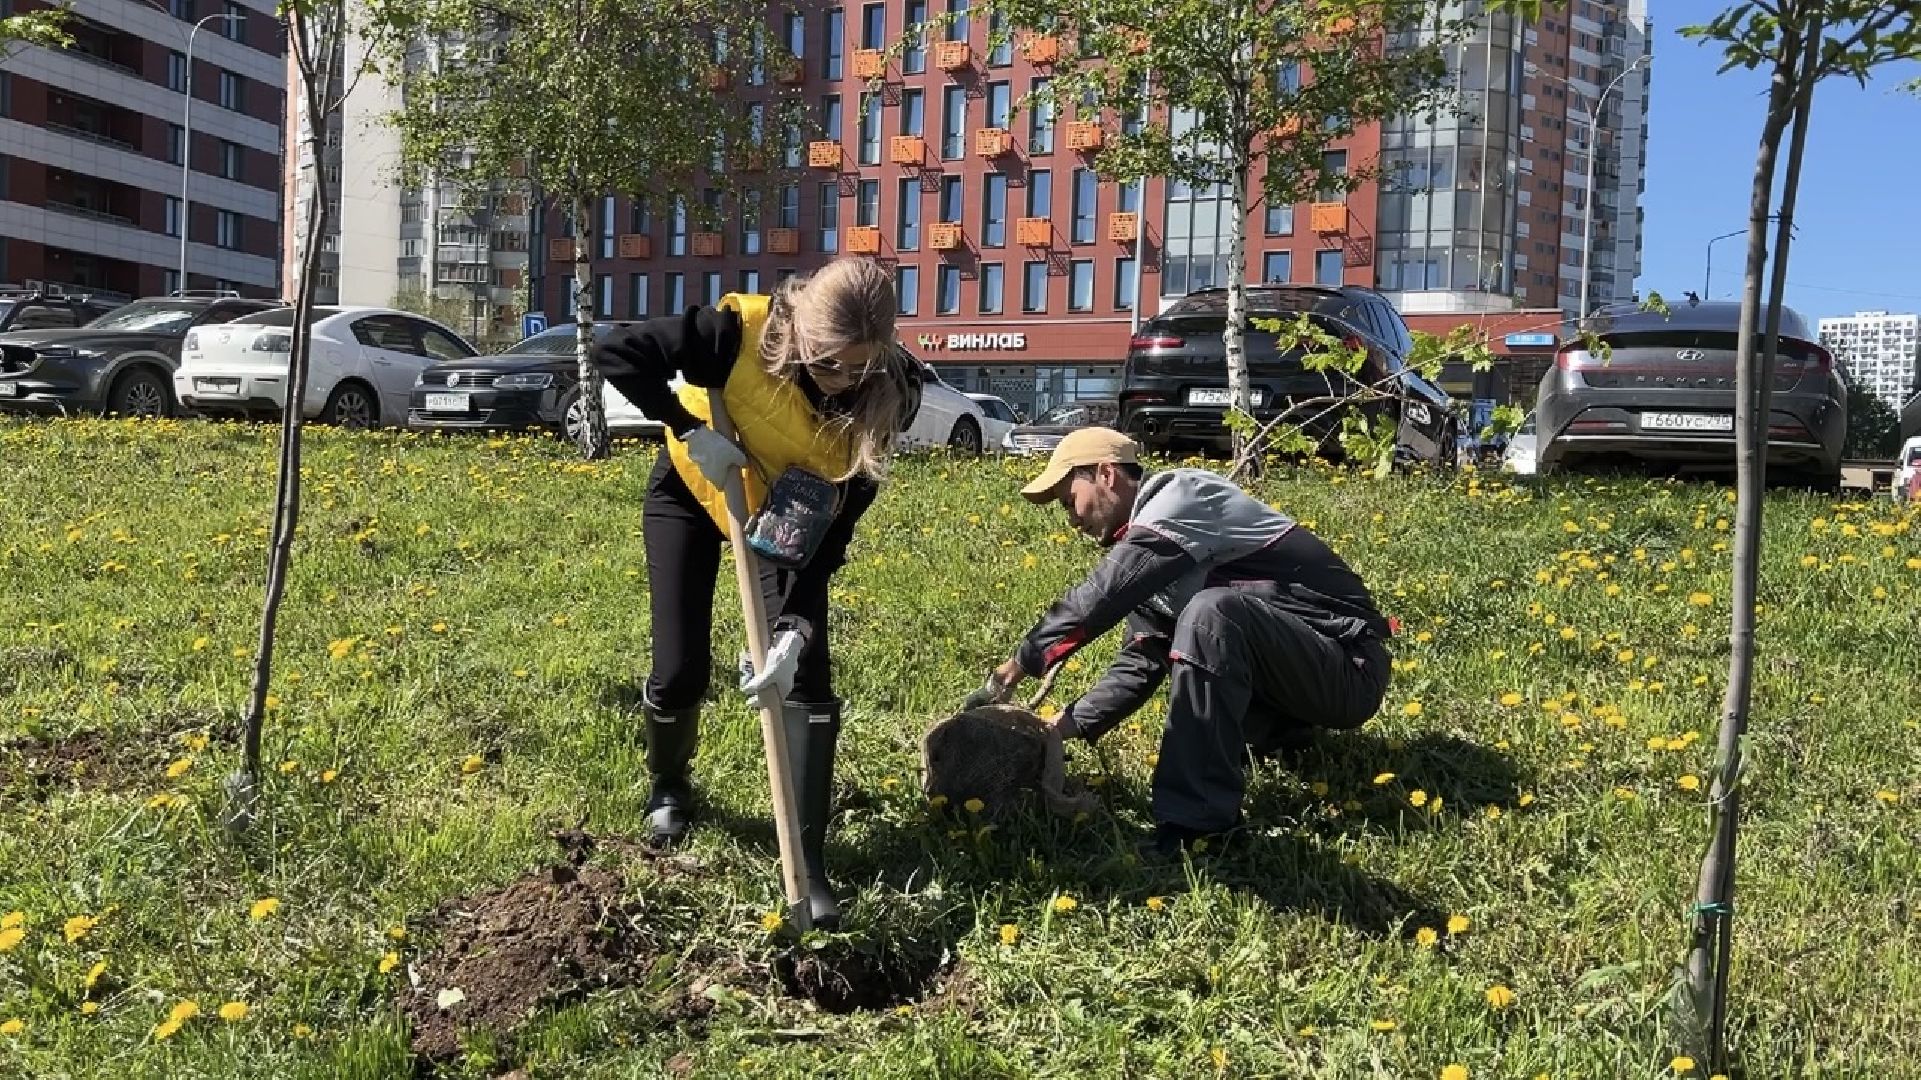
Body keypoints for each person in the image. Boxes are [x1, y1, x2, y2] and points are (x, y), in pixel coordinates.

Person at [590, 258, 920, 927]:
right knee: (678, 666)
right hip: (693, 485)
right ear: (799, 334)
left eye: (858, 368)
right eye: (828, 364)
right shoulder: (733, 334)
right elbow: (614, 350)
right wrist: (688, 429)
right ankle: (669, 787)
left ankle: (807, 861)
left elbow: (830, 537)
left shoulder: (889, 397)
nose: (842, 382)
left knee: (808, 678)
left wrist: (795, 628)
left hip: (788, 519)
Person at [964, 427, 1393, 855]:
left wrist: (1014, 668)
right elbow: (1143, 658)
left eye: (1069, 500)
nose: (1072, 520)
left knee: (1212, 613)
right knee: (1208, 617)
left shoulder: (1178, 500)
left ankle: (1198, 828)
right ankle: (1283, 735)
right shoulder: (1157, 555)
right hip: (1298, 679)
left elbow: (1100, 598)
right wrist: (1058, 728)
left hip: (1348, 667)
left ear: (1106, 474)